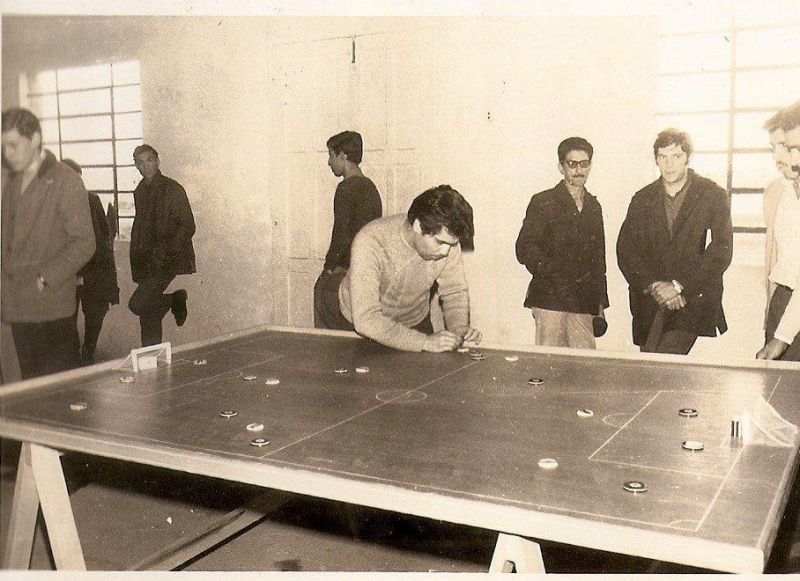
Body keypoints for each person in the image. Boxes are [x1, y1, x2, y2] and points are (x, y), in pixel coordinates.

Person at [617, 128, 733, 355]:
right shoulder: (642, 198)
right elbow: (626, 250)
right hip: (651, 302)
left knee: (665, 361)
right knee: (649, 366)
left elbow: (721, 250)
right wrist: (653, 286)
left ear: (688, 157)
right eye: (663, 157)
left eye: (676, 156)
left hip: (690, 300)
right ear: (656, 160)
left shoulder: (711, 194)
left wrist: (679, 286)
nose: (669, 165)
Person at [325, 184, 481, 352]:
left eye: (451, 245)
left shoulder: (448, 243)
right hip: (362, 327)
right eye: (440, 242)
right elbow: (366, 319)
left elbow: (454, 292)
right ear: (418, 226)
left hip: (415, 322)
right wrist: (424, 342)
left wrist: (458, 330)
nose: (445, 252)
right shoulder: (370, 241)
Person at [1, 108, 95, 379]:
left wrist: (45, 277)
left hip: (50, 308)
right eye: (3, 147)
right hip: (17, 306)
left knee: (59, 391)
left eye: (13, 145)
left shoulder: (66, 180)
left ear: (35, 139)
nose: (7, 154)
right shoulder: (12, 181)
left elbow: (84, 242)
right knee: (30, 389)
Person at [515, 137, 608, 348]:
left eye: (584, 164)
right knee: (549, 363)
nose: (579, 170)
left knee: (584, 363)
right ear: (561, 167)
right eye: (572, 164)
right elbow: (524, 247)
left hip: (583, 302)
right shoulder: (543, 201)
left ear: (590, 166)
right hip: (550, 299)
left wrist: (600, 305)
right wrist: (555, 273)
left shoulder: (594, 207)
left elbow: (598, 260)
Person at [129, 144, 196, 347]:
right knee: (148, 312)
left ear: (157, 161)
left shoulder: (172, 189)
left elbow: (188, 225)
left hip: (166, 260)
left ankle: (175, 298)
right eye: (140, 162)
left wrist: (166, 252)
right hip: (146, 260)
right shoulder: (140, 190)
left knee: (137, 303)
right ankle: (150, 357)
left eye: (149, 160)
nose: (146, 166)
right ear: (136, 165)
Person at [314, 131, 382, 329]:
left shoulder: (345, 189)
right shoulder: (371, 187)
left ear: (343, 155)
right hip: (367, 271)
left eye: (331, 155)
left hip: (345, 271)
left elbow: (341, 234)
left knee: (322, 294)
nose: (329, 162)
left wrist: (329, 268)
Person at [62, 159, 120, 365]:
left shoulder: (92, 200)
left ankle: (88, 353)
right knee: (65, 320)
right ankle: (73, 358)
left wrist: (95, 275)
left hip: (92, 272)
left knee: (95, 315)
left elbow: (103, 239)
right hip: (67, 274)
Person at [757, 101, 800, 360]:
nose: (779, 157)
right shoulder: (775, 191)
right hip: (783, 301)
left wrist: (782, 337)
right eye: (773, 148)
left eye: (785, 146)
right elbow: (775, 257)